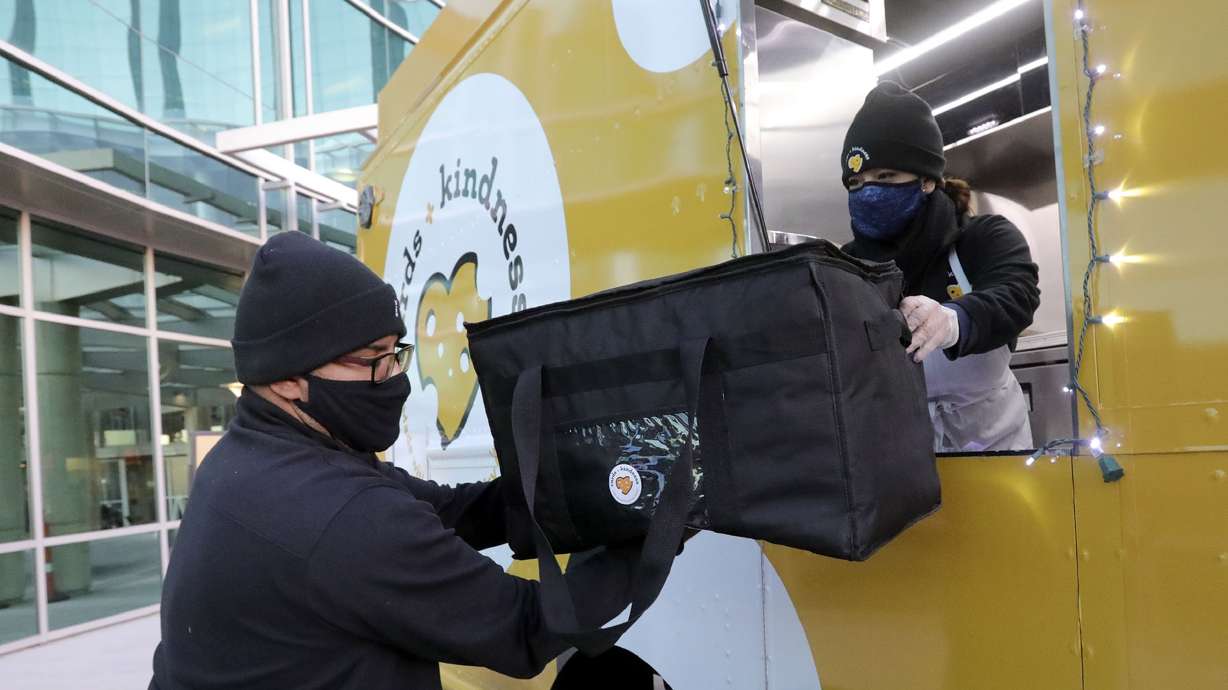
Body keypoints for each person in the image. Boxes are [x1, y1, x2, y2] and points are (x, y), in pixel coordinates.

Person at [150, 232, 634, 690]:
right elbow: (526, 629)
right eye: (373, 359)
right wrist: (655, 520)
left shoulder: (253, 456)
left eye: (394, 352)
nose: (395, 378)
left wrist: (598, 485)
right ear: (286, 379)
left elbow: (454, 512)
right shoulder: (337, 512)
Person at [838, 82, 1041, 453]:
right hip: (896, 458)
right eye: (856, 182)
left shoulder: (981, 236)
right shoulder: (846, 266)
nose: (868, 192)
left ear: (927, 179)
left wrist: (952, 321)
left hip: (993, 449)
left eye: (885, 178)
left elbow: (1017, 294)